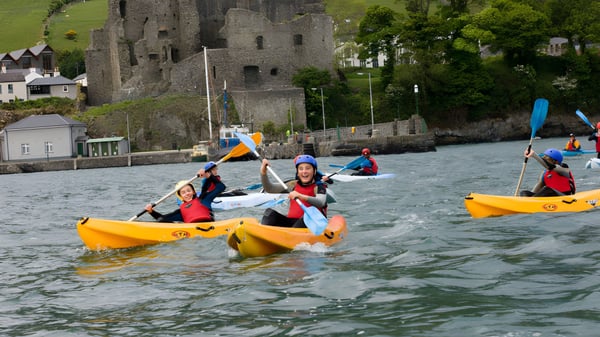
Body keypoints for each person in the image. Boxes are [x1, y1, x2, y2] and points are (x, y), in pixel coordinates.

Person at [259, 154, 327, 228]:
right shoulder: (293, 184)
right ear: (297, 172)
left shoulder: (319, 187)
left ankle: (290, 236)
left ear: (314, 171)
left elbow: (321, 202)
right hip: (292, 223)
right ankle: (264, 233)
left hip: (310, 223)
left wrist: (300, 196)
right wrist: (263, 173)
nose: (304, 171)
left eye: (308, 168)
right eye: (301, 169)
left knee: (305, 218)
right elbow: (270, 188)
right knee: (270, 212)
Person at [144, 162, 226, 222]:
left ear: (193, 192)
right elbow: (162, 219)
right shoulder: (181, 211)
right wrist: (151, 212)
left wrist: (209, 176)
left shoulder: (204, 199)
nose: (187, 193)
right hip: (193, 233)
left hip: (211, 227)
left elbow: (221, 187)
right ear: (180, 196)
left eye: (188, 190)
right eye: (183, 192)